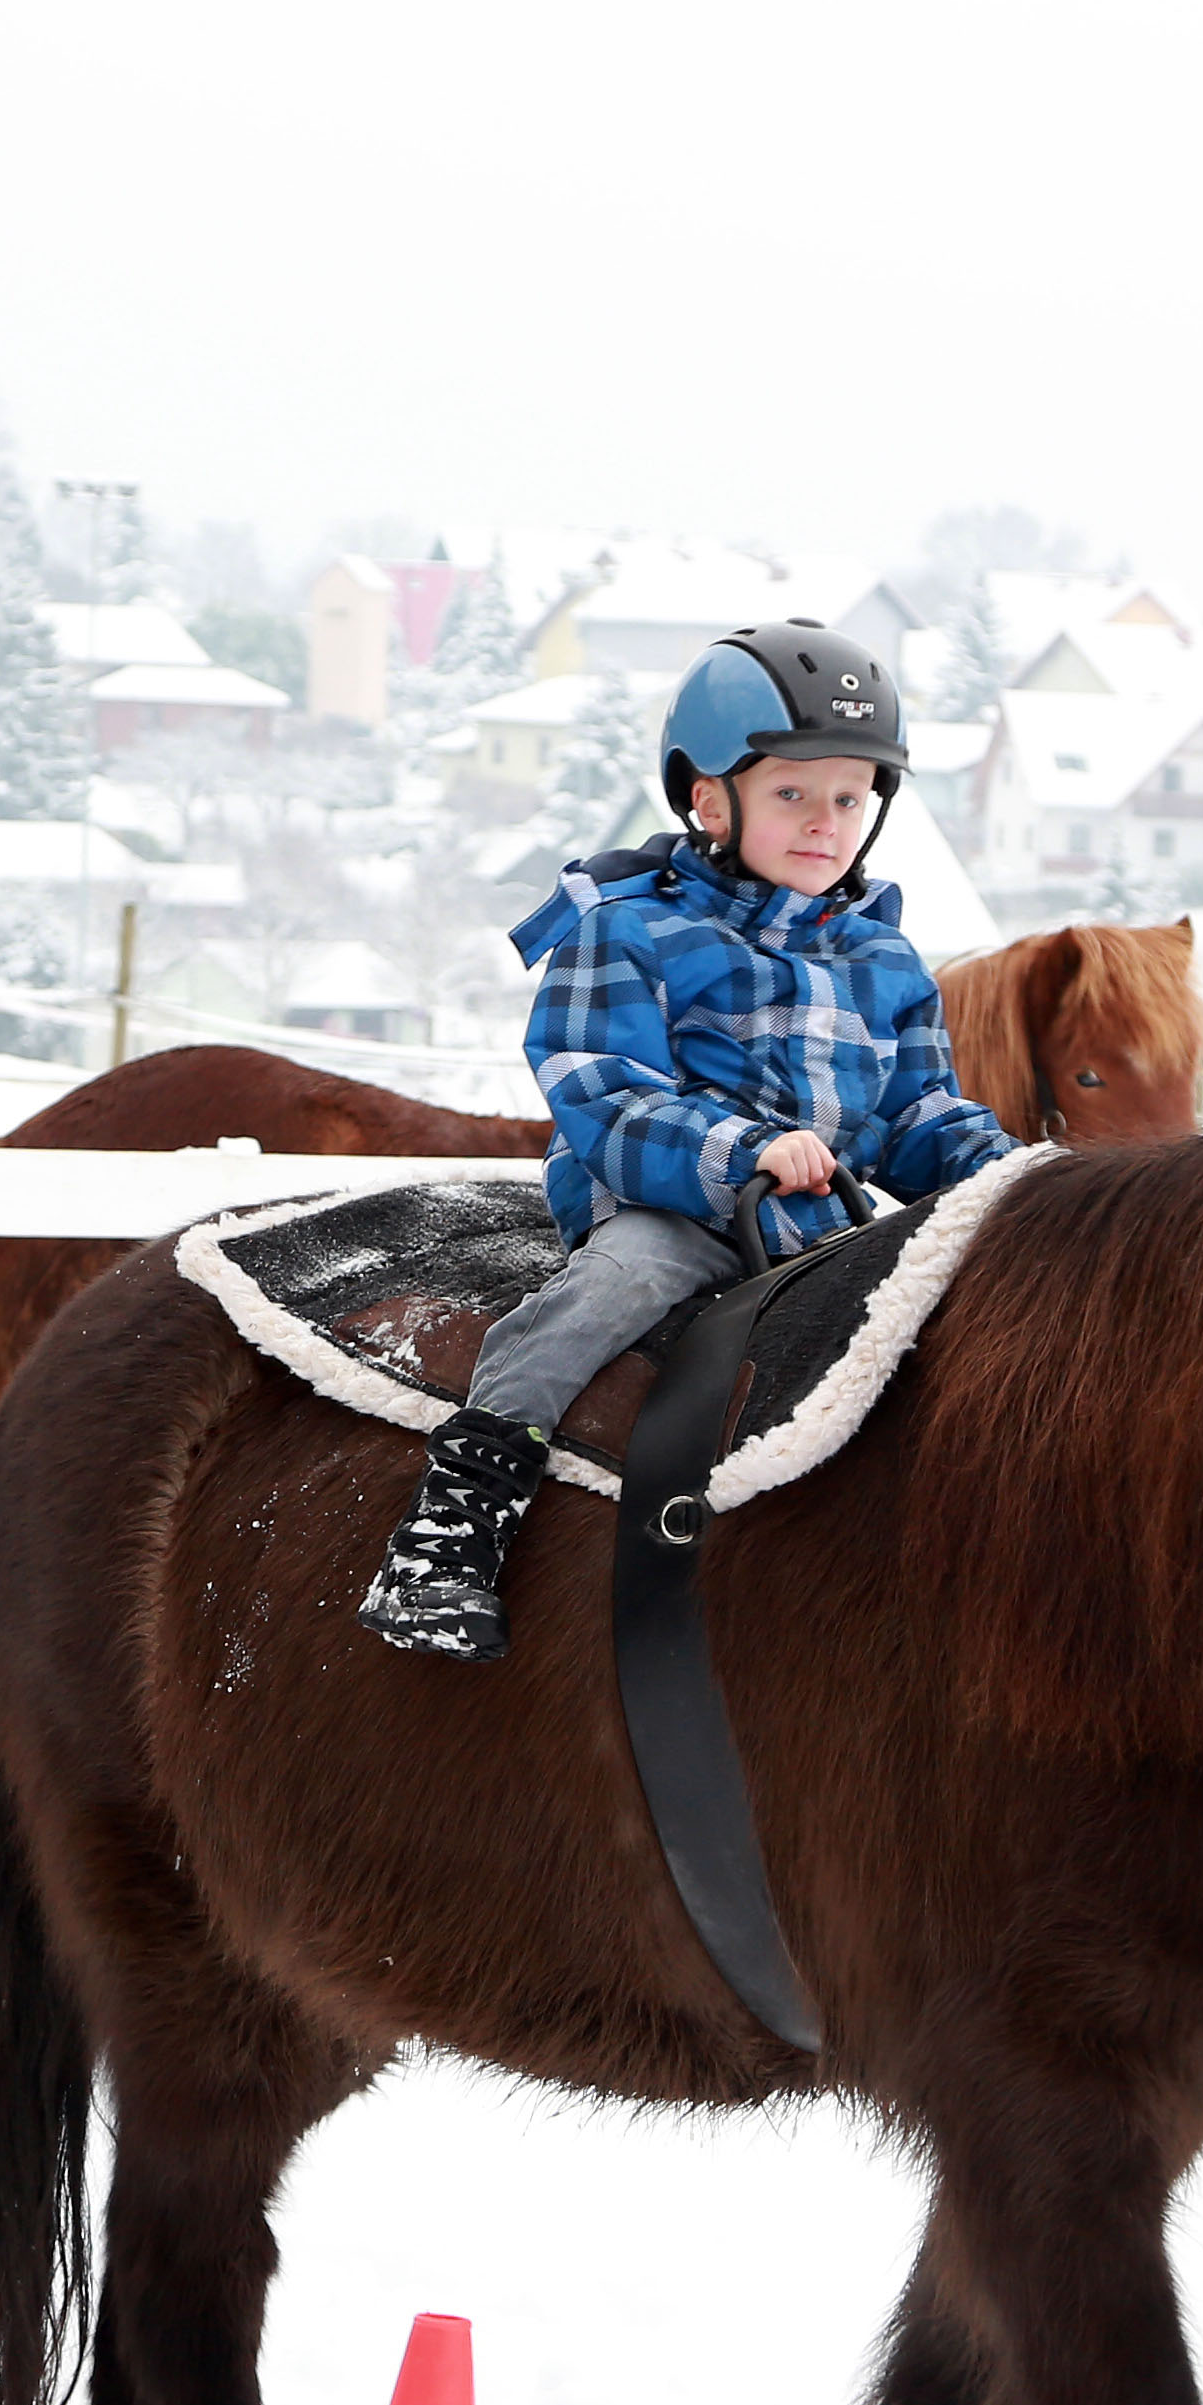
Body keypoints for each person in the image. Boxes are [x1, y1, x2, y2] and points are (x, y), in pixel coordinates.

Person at [355, 620, 1016, 1660]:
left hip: (822, 1228)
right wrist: (743, 1147)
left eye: (848, 798)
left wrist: (1012, 1176)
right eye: (792, 794)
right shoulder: (628, 929)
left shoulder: (884, 959)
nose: (825, 822)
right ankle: (457, 1519)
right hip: (667, 1202)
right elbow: (601, 1090)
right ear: (710, 799)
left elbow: (914, 1113)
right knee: (615, 1284)